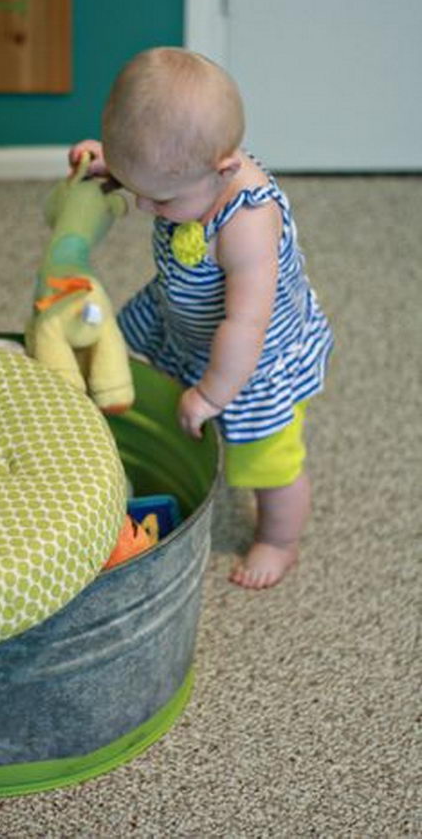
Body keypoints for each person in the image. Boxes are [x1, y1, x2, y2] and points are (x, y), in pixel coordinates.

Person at [69, 47, 333, 589]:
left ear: (224, 171)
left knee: (268, 459)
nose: (144, 208)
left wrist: (213, 395)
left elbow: (246, 328)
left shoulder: (247, 223)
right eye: (133, 186)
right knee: (119, 349)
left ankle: (279, 540)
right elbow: (156, 170)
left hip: (252, 358)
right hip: (184, 314)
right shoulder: (188, 167)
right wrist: (112, 165)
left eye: (159, 199)